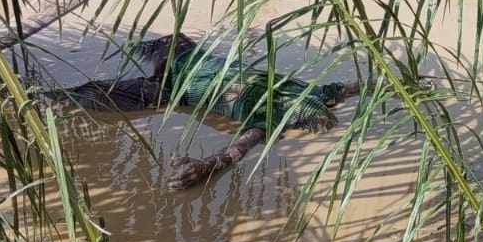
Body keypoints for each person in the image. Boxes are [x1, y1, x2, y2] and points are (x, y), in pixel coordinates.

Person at [43, 33, 356, 189]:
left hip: (176, 82)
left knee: (94, 94)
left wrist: (204, 167)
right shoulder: (296, 98)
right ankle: (48, 93)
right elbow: (240, 147)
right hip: (184, 60)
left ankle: (42, 97)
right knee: (111, 79)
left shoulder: (292, 98)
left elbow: (239, 148)